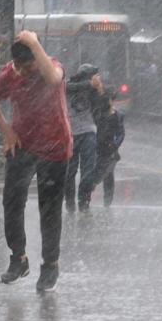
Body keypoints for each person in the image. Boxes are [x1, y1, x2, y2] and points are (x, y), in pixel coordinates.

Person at [0, 30, 72, 293]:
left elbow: (54, 80)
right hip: (22, 144)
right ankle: (18, 259)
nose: (22, 71)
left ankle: (50, 265)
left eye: (27, 65)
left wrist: (33, 42)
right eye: (19, 66)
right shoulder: (10, 74)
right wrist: (7, 130)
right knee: (12, 201)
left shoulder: (51, 67)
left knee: (49, 208)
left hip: (55, 145)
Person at [65, 64, 103, 213]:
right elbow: (65, 88)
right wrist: (89, 84)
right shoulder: (69, 84)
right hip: (71, 134)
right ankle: (69, 202)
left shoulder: (92, 89)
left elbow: (102, 105)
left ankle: (84, 201)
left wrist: (98, 90)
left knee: (88, 171)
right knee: (70, 172)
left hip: (88, 132)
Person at [93, 87, 124, 207]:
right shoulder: (97, 114)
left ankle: (107, 202)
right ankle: (86, 196)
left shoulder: (117, 115)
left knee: (109, 174)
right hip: (97, 148)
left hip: (110, 150)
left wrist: (114, 144)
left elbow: (121, 133)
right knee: (96, 174)